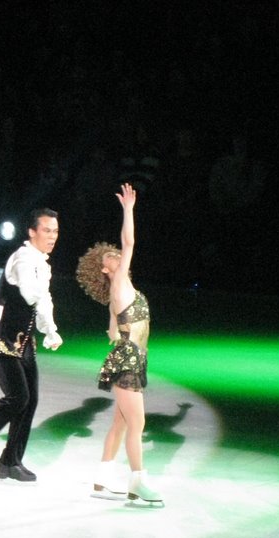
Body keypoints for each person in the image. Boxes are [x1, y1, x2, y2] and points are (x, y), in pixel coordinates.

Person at [0, 209, 64, 481]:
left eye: (55, 231)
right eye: (47, 230)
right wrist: (43, 278)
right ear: (32, 231)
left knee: (30, 401)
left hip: (23, 340)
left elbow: (45, 301)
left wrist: (50, 331)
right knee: (19, 397)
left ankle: (10, 462)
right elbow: (31, 294)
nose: (52, 236)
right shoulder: (24, 259)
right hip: (0, 338)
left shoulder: (41, 263)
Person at [75, 183, 162, 504]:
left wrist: (119, 339)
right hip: (128, 362)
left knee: (122, 422)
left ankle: (102, 478)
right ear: (105, 269)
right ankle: (138, 482)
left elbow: (113, 331)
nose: (115, 253)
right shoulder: (120, 281)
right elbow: (130, 241)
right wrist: (128, 209)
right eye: (109, 256)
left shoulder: (122, 293)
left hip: (131, 360)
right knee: (137, 422)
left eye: (115, 253)